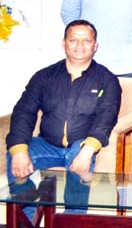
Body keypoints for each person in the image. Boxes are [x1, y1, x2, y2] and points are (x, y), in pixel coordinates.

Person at [7, 20, 122, 217]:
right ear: (64, 44)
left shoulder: (107, 79)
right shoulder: (44, 76)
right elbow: (24, 111)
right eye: (73, 40)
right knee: (16, 153)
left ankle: (73, 219)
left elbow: (107, 117)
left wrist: (88, 150)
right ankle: (25, 217)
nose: (80, 46)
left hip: (82, 144)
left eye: (86, 41)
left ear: (95, 46)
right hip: (47, 144)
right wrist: (18, 149)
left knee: (78, 151)